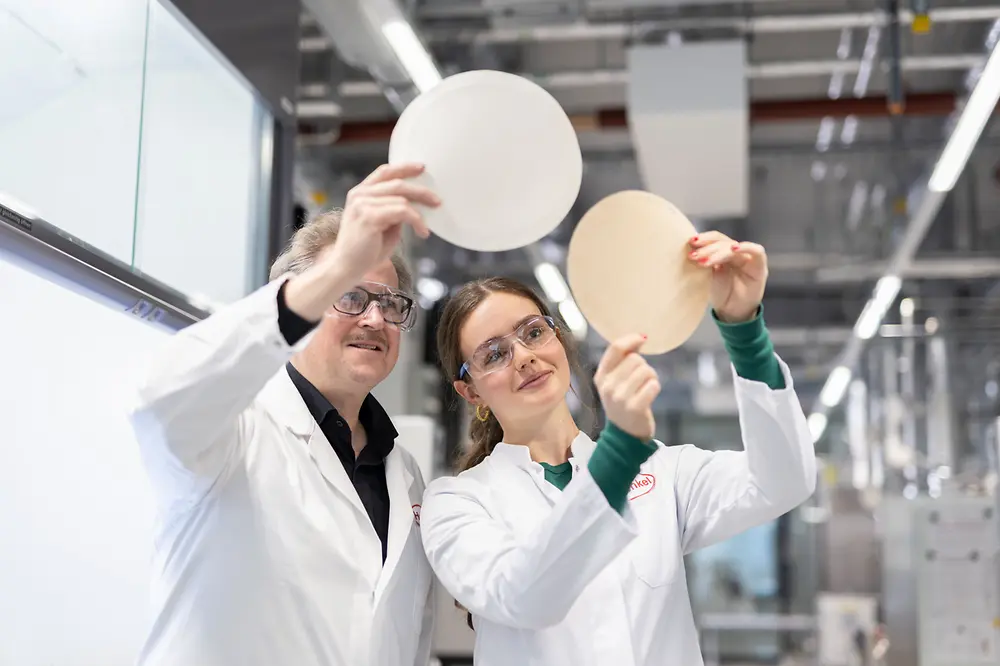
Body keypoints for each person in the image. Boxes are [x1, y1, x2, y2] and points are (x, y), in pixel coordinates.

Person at [421, 231, 816, 666]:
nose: (523, 357)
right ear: (470, 391)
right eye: (493, 354)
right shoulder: (456, 503)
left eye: (533, 333)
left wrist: (744, 330)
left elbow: (782, 482)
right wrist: (621, 449)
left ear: (558, 339)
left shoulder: (662, 471)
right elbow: (524, 595)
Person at [128, 163, 440, 666]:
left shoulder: (403, 473)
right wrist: (337, 266)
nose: (375, 318)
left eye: (389, 302)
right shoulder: (233, 433)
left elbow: (407, 638)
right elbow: (160, 399)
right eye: (350, 296)